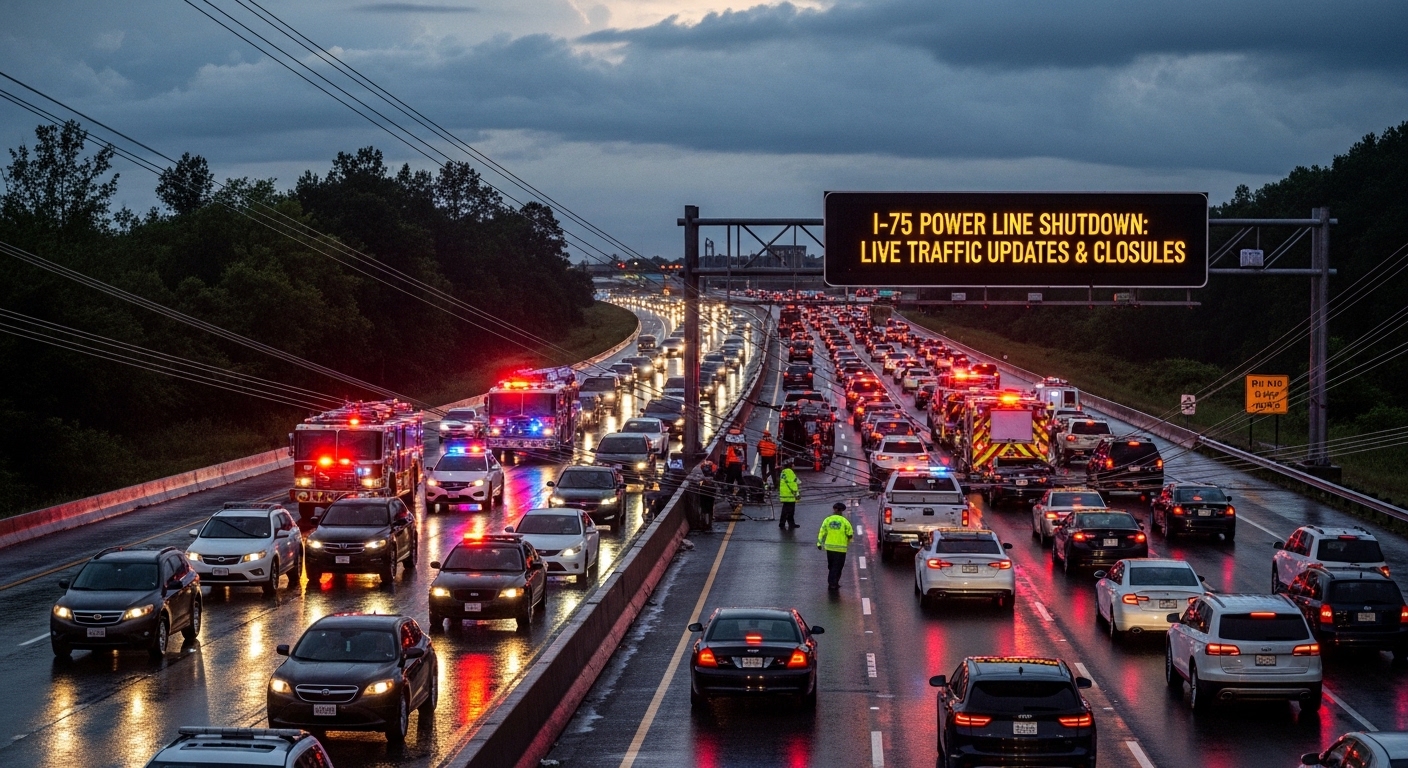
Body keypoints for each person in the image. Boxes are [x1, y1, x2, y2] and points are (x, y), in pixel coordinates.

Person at [816, 502, 854, 590]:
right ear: (841, 511)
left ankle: (833, 582)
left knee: (831, 565)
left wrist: (819, 543)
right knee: (838, 567)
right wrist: (848, 540)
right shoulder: (845, 521)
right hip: (841, 549)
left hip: (829, 548)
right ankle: (833, 583)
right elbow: (850, 534)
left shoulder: (827, 520)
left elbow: (822, 532)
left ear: (834, 510)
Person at [694, 460, 717, 531]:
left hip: (704, 491)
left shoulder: (702, 476)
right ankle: (709, 524)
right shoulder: (714, 473)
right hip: (711, 491)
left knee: (703, 507)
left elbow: (696, 480)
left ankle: (704, 523)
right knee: (709, 507)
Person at [777, 459, 800, 530]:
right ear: (790, 465)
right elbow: (792, 484)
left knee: (785, 509)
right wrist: (797, 494)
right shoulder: (790, 472)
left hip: (784, 494)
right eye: (793, 464)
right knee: (790, 510)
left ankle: (787, 523)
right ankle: (786, 523)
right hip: (790, 494)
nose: (794, 465)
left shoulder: (783, 472)